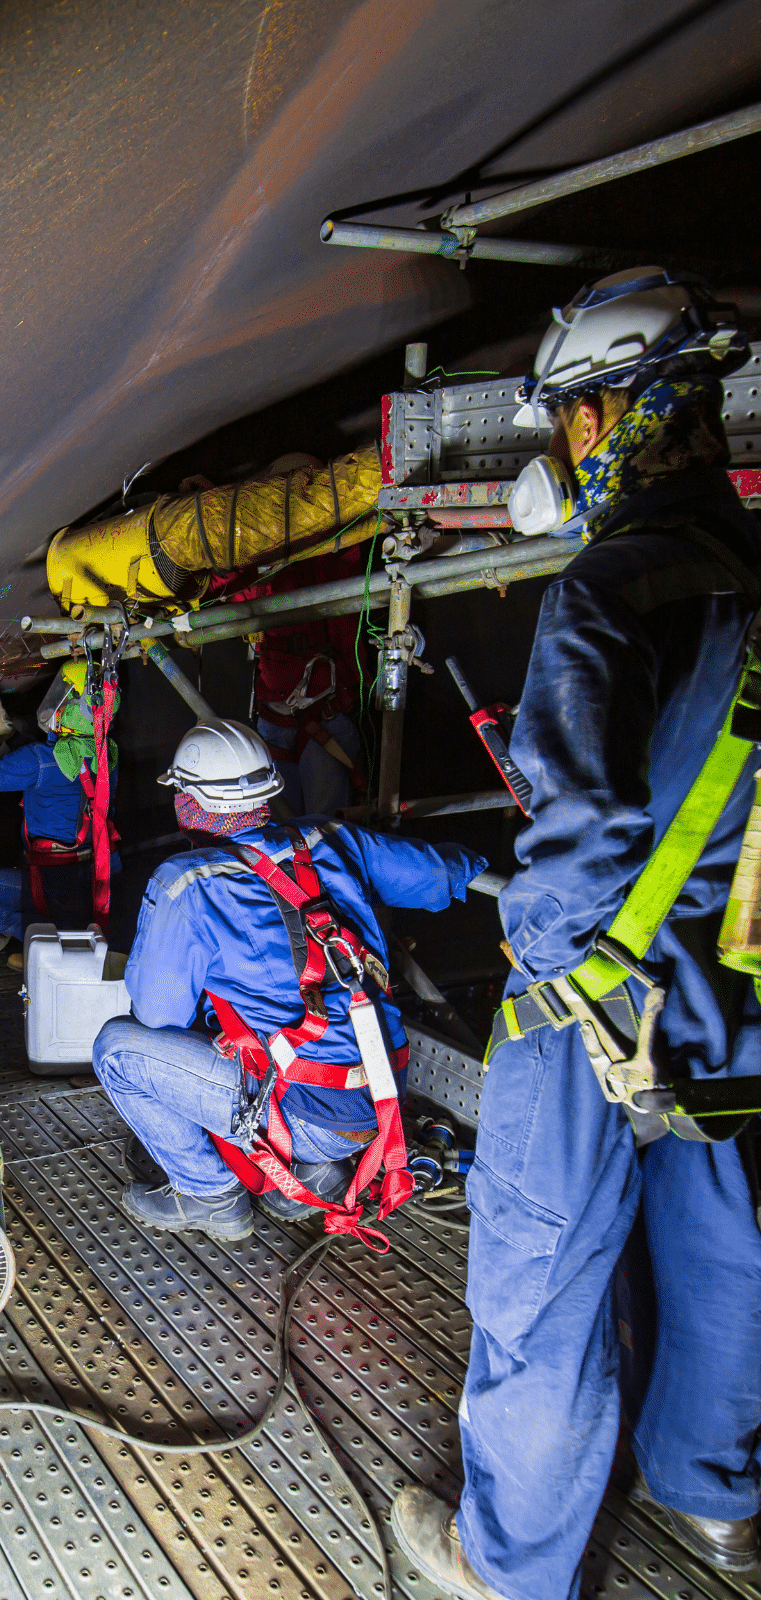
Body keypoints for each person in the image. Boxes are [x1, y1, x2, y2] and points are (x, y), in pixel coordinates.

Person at [391, 267, 761, 1599]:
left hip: (594, 987)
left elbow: (579, 821)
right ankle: (713, 1492)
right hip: (724, 983)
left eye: (571, 419)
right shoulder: (748, 572)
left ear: (609, 413)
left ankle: (511, 1566)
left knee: (541, 1272)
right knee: (721, 1240)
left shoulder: (617, 582)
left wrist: (545, 979)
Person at [92, 720, 485, 1241]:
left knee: (118, 1049)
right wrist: (486, 864)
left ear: (187, 801)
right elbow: (440, 877)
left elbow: (157, 1015)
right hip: (384, 1093)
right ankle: (315, 1170)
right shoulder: (328, 835)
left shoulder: (187, 881)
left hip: (306, 1109)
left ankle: (209, 1195)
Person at [0, 661, 119, 939]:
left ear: (72, 714)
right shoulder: (106, 756)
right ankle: (53, 929)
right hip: (88, 881)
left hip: (55, 884)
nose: (54, 706)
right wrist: (4, 730)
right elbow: (43, 764)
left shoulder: (43, 760)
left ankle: (36, 934)